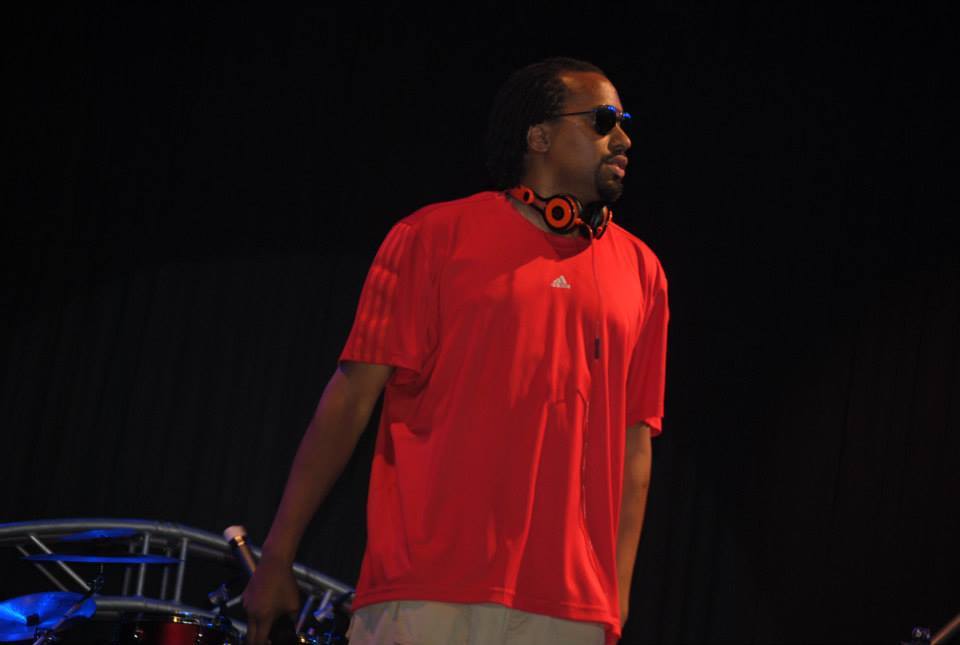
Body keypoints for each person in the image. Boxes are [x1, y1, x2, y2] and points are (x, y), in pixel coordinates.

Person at [242, 57, 669, 645]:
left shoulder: (642, 272)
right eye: (603, 120)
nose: (622, 139)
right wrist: (277, 555)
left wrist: (614, 599)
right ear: (539, 137)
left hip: (570, 608)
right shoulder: (431, 238)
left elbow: (634, 446)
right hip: (425, 590)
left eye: (623, 123)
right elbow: (349, 400)